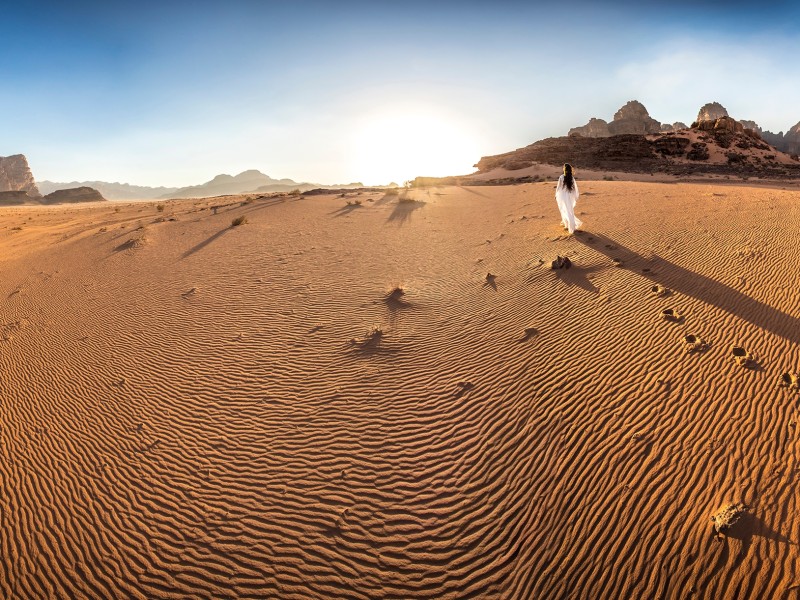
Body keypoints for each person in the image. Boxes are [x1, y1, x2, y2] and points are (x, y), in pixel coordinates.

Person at [555, 163, 581, 234]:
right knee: (570, 211)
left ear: (564, 169)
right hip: (569, 196)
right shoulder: (571, 178)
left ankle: (567, 225)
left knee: (564, 210)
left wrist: (556, 195)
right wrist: (575, 196)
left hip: (562, 196)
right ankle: (571, 226)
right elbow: (575, 188)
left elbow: (558, 187)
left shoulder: (561, 177)